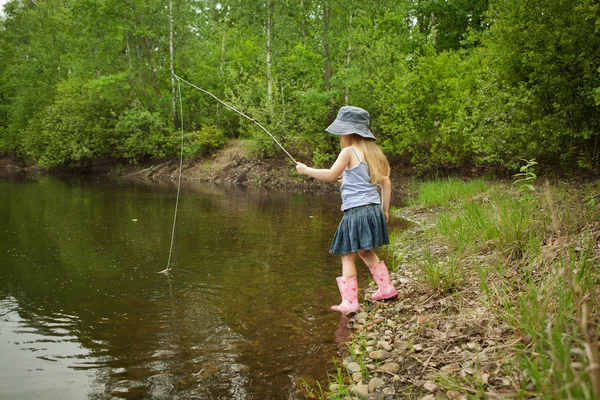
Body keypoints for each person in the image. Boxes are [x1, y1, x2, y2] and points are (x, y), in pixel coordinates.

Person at [296, 106, 398, 313]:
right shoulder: (375, 153)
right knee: (365, 250)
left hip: (356, 212)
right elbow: (386, 183)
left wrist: (306, 170)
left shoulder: (348, 152)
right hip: (374, 209)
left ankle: (350, 303)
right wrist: (385, 210)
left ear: (348, 132)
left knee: (347, 255)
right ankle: (386, 288)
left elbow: (331, 175)